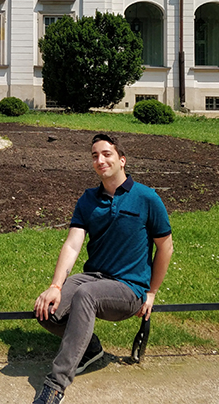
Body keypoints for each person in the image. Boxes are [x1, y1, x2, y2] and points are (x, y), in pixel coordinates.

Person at [31, 132, 173, 404]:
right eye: (95, 156)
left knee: (87, 296)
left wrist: (151, 292)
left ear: (122, 160)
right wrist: (55, 286)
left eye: (106, 154)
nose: (100, 160)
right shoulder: (88, 199)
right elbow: (73, 244)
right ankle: (91, 348)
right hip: (93, 276)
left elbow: (165, 247)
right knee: (45, 310)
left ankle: (55, 386)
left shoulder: (146, 197)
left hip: (129, 287)